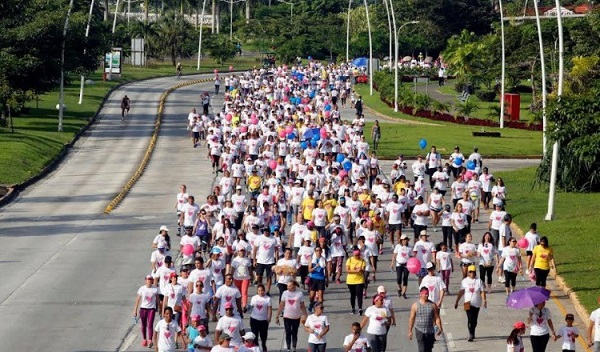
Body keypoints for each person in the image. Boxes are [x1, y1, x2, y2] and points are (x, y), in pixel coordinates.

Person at [454, 265, 487, 342]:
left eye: (473, 272)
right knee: (470, 319)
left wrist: (484, 300)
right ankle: (470, 334)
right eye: (470, 272)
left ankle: (473, 331)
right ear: (468, 272)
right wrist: (456, 301)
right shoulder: (464, 281)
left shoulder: (479, 281)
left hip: (477, 303)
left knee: (474, 320)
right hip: (467, 303)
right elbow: (461, 292)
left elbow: (482, 292)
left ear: (475, 272)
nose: (472, 273)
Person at [275, 280, 308, 352]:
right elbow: (281, 305)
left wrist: (305, 315)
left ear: (294, 286)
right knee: (288, 332)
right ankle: (288, 348)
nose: (288, 287)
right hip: (287, 316)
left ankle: (294, 347)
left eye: (289, 286)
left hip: (296, 316)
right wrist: (277, 316)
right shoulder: (285, 293)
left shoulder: (299, 294)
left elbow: (302, 306)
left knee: (294, 332)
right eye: (287, 286)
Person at [408, 287, 443, 352]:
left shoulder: (433, 305)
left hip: (430, 331)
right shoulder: (415, 306)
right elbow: (412, 319)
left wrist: (440, 327)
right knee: (422, 349)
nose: (427, 295)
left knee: (429, 349)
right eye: (425, 294)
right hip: (419, 330)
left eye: (428, 293)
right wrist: (410, 331)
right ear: (420, 294)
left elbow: (437, 317)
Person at [133, 275, 159, 348]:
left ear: (152, 280)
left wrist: (160, 309)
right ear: (145, 280)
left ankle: (150, 340)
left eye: (151, 279)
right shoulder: (142, 289)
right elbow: (138, 300)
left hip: (151, 309)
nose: (149, 281)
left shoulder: (155, 289)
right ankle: (144, 339)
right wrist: (135, 310)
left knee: (150, 324)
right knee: (143, 324)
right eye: (148, 279)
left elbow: (157, 300)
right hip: (143, 309)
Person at [249, 284, 271, 352]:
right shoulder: (254, 298)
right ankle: (257, 348)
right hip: (254, 319)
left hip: (263, 320)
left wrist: (269, 318)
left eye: (262, 290)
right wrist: (246, 309)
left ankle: (264, 345)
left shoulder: (268, 298)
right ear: (257, 291)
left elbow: (269, 309)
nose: (261, 292)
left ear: (264, 291)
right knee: (255, 336)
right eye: (259, 291)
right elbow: (251, 306)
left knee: (263, 336)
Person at [346, 246, 367, 314]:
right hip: (350, 281)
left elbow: (363, 269)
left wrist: (361, 270)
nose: (357, 256)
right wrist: (355, 271)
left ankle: (360, 308)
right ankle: (353, 308)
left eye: (358, 255)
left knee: (359, 294)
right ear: (353, 254)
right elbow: (347, 270)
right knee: (352, 295)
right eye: (356, 255)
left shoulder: (362, 260)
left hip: (359, 280)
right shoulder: (350, 260)